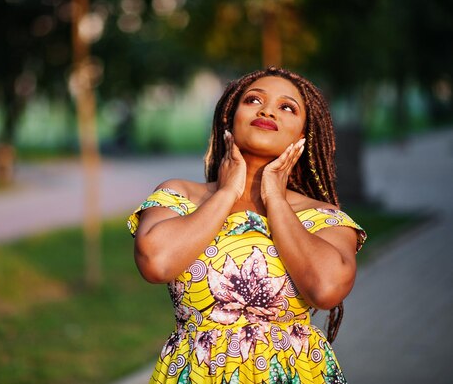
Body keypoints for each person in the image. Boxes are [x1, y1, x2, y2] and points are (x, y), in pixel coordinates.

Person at [127, 67, 366, 384]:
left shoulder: (324, 217)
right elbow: (156, 263)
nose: (268, 110)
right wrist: (226, 193)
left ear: (303, 136)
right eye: (254, 100)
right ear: (230, 118)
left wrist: (275, 199)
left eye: (287, 107)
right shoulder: (180, 196)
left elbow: (326, 289)